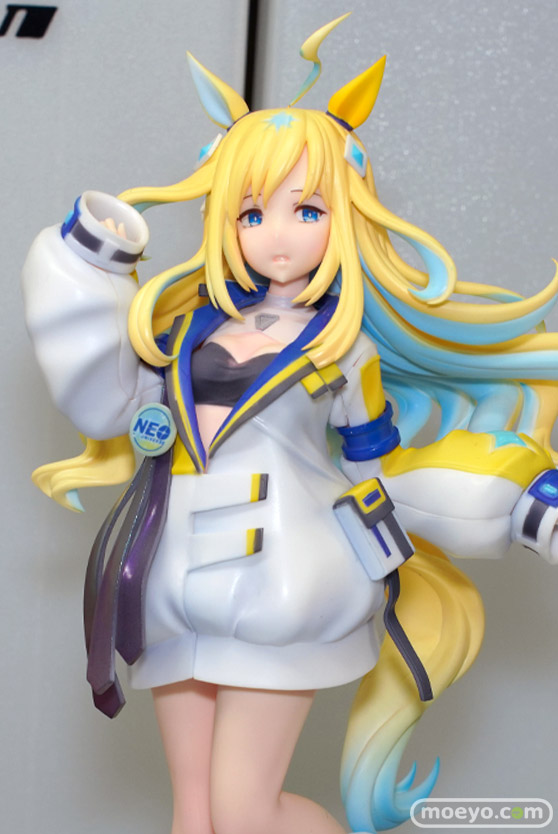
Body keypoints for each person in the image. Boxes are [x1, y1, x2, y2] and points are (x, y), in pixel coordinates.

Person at [21, 15, 558, 834]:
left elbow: (380, 474)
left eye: (306, 210)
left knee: (244, 811)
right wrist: (89, 265)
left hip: (279, 585)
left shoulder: (343, 349)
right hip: (172, 581)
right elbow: (108, 400)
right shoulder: (183, 332)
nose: (277, 234)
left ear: (344, 214)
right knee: (194, 815)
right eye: (252, 213)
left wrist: (514, 500)